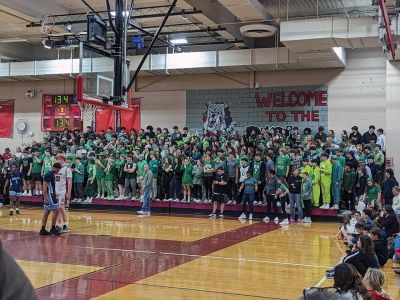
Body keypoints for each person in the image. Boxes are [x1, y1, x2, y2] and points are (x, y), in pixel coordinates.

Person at [40, 163, 62, 235]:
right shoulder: (48, 175)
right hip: (49, 195)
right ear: (54, 168)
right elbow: (44, 187)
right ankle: (53, 228)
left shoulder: (51, 174)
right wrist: (45, 198)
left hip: (51, 195)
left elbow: (51, 186)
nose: (58, 171)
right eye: (57, 170)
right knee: (56, 210)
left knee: (47, 211)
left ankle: (43, 229)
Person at [54, 153, 72, 233]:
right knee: (57, 208)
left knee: (61, 207)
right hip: (55, 191)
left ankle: (66, 225)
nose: (59, 160)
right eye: (58, 159)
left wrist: (69, 193)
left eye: (61, 159)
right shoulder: (55, 169)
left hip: (62, 191)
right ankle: (59, 225)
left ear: (64, 161)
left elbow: (69, 182)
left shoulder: (66, 169)